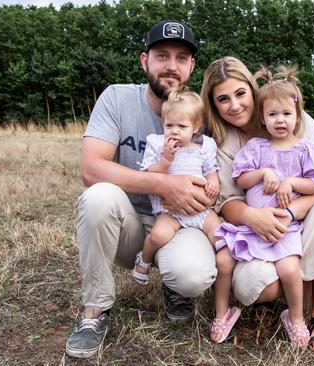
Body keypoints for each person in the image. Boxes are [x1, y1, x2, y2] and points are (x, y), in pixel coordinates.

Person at [66, 20, 217, 359]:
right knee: (98, 197)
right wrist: (164, 183)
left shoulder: (201, 113)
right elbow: (91, 168)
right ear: (144, 60)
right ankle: (95, 310)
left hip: (183, 221)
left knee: (193, 275)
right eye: (162, 55)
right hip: (130, 223)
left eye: (181, 57)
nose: (171, 66)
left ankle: (176, 287)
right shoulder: (117, 98)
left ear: (192, 66)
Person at [201, 56, 314, 353]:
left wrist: (291, 211)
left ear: (253, 90)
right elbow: (228, 201)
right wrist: (255, 217)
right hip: (254, 227)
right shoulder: (224, 141)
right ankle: (293, 289)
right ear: (213, 105)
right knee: (256, 287)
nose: (235, 105)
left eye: (241, 93)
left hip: (296, 219)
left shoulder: (299, 122)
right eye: (223, 99)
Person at [132, 86, 221, 284]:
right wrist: (166, 159)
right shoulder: (157, 144)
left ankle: (223, 270)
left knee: (220, 237)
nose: (174, 131)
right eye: (169, 125)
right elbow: (149, 176)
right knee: (158, 235)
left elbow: (211, 171)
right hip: (169, 211)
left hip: (201, 211)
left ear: (195, 127)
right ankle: (144, 261)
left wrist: (213, 183)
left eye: (182, 127)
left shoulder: (204, 146)